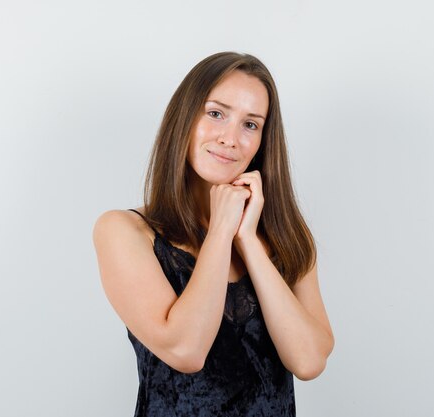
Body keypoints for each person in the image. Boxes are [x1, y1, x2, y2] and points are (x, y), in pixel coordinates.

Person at [92, 51, 334, 417]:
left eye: (250, 125)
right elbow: (186, 350)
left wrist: (248, 240)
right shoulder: (123, 231)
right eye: (216, 113)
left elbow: (309, 361)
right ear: (184, 117)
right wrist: (221, 230)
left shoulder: (287, 236)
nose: (230, 138)